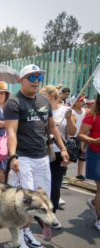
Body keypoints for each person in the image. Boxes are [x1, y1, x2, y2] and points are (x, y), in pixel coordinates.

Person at [4, 64, 69, 248]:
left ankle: (26, 230)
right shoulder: (14, 102)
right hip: (23, 158)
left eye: (39, 77)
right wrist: (13, 156)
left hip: (42, 158)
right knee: (27, 201)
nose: (36, 81)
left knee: (41, 200)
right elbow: (11, 131)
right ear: (21, 80)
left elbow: (53, 128)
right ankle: (18, 235)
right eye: (31, 77)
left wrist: (63, 148)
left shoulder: (43, 100)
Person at [42, 85, 76, 227]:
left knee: (55, 185)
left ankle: (52, 214)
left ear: (52, 96)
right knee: (42, 185)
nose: (40, 97)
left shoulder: (65, 111)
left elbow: (73, 132)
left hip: (58, 152)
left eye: (43, 95)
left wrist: (68, 119)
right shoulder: (41, 111)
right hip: (42, 151)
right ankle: (41, 212)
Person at [78, 92, 100, 231]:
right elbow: (80, 135)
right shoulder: (92, 115)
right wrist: (94, 141)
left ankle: (94, 202)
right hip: (96, 155)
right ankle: (99, 220)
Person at [72, 95, 87, 180]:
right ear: (75, 102)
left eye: (82, 101)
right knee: (72, 156)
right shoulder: (72, 112)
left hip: (83, 136)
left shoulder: (85, 111)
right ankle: (63, 171)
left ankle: (79, 174)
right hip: (73, 136)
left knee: (82, 156)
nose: (82, 102)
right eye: (80, 100)